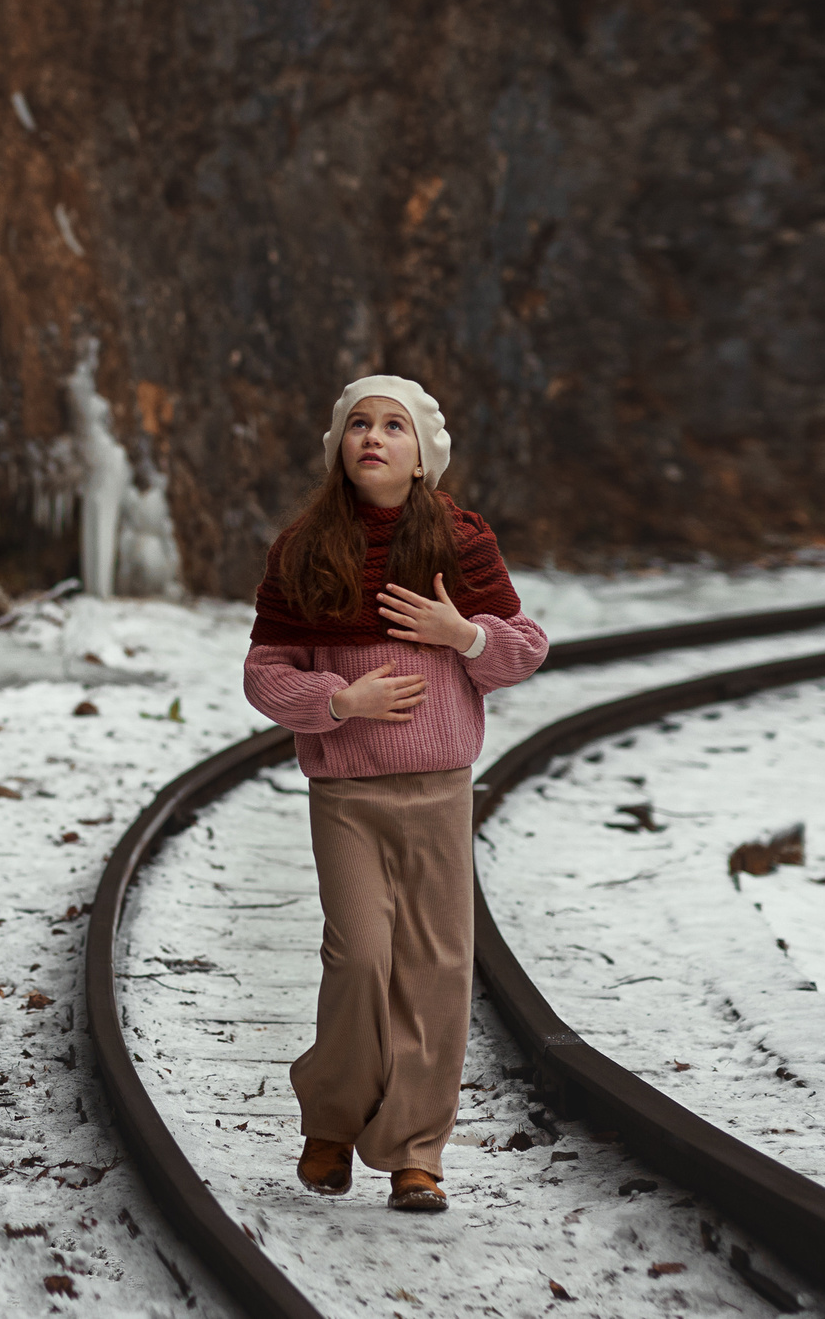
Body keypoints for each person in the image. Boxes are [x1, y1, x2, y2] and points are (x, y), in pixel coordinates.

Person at [242, 375, 549, 1211]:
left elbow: (523, 647)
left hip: (440, 786)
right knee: (360, 957)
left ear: (424, 456)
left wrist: (464, 635)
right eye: (358, 424)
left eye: (394, 426)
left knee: (436, 966)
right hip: (346, 794)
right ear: (340, 446)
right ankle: (334, 1119)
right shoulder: (303, 548)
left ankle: (416, 1151)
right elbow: (265, 673)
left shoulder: (459, 540)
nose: (374, 437)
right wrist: (338, 702)